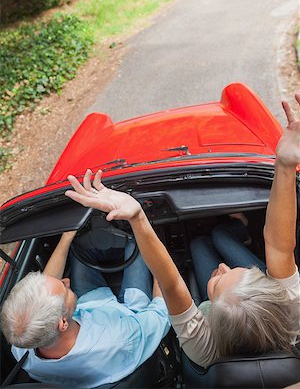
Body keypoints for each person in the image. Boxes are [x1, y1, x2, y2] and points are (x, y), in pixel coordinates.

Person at [63, 94, 300, 368]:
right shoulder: (292, 307)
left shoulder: (205, 348)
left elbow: (173, 284)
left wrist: (140, 217)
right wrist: (284, 165)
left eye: (216, 283)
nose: (222, 267)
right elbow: (280, 246)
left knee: (201, 245)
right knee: (200, 245)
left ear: (214, 321)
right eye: (241, 271)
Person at [0, 229, 170, 387]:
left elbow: (47, 284)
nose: (66, 281)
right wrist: (160, 265)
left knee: (79, 246)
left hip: (90, 303)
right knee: (140, 242)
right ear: (62, 323)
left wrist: (67, 238)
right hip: (129, 314)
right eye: (64, 289)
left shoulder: (22, 343)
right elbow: (161, 312)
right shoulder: (121, 340)